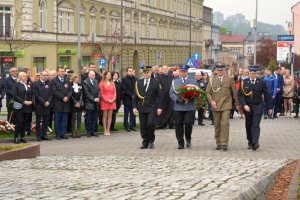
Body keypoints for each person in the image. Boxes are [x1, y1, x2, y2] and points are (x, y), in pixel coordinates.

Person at [206, 65, 240, 151]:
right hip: (215, 105)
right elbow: (208, 92)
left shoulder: (229, 79)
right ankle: (218, 142)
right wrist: (211, 101)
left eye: (222, 70)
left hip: (226, 105)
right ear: (216, 71)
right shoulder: (211, 79)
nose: (220, 72)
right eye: (219, 70)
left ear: (224, 71)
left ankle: (224, 143)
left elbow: (234, 92)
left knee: (225, 123)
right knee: (217, 125)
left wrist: (238, 104)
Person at [238, 66, 272, 150]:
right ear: (249, 74)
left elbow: (267, 95)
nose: (253, 75)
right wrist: (244, 105)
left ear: (256, 74)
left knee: (256, 124)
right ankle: (250, 141)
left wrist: (269, 107)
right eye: (251, 73)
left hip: (258, 106)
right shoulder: (244, 82)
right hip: (248, 107)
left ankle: (255, 142)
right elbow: (240, 95)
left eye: (254, 73)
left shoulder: (261, 82)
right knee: (248, 124)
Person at [133, 66, 163, 149]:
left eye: (147, 72)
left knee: (150, 124)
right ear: (143, 73)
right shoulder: (138, 82)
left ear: (151, 73)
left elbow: (160, 96)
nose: (146, 74)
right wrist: (134, 106)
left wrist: (159, 107)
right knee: (143, 125)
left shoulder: (156, 82)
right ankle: (145, 142)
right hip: (142, 107)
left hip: (152, 106)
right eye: (144, 73)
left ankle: (151, 141)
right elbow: (135, 96)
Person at [169, 65, 197, 149]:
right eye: (181, 71)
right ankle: (180, 142)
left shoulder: (193, 81)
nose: (183, 73)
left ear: (187, 72)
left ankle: (188, 139)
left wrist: (192, 97)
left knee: (188, 123)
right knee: (178, 125)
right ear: (179, 72)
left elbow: (197, 91)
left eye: (184, 71)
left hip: (189, 106)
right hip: (178, 106)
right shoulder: (175, 81)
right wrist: (177, 99)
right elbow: (171, 93)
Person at [50, 67, 72, 140]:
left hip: (66, 103)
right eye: (61, 71)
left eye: (63, 71)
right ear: (57, 72)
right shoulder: (54, 81)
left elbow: (70, 91)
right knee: (57, 119)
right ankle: (58, 134)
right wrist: (63, 97)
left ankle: (63, 133)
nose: (62, 73)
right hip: (57, 103)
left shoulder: (67, 80)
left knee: (64, 120)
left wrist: (67, 97)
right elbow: (54, 91)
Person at [12, 72, 33, 144]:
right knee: (19, 122)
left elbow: (33, 94)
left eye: (26, 76)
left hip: (28, 106)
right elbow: (15, 96)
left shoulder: (28, 85)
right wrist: (23, 101)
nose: (26, 77)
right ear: (20, 77)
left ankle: (22, 137)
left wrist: (31, 101)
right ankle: (16, 137)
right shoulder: (16, 85)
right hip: (19, 106)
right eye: (24, 76)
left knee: (25, 123)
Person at [32, 70, 52, 141]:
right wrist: (44, 102)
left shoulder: (49, 83)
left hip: (47, 105)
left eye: (46, 75)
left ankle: (44, 135)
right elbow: (37, 95)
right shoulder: (36, 84)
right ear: (40, 76)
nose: (45, 76)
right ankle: (38, 135)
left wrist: (48, 101)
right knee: (38, 121)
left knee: (46, 121)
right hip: (39, 105)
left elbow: (51, 94)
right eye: (44, 75)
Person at [82, 71, 100, 137]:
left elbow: (99, 90)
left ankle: (93, 131)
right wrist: (93, 99)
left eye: (94, 75)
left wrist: (98, 97)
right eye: (92, 75)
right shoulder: (85, 82)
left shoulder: (96, 81)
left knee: (94, 118)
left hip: (96, 103)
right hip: (89, 103)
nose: (94, 76)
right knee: (88, 118)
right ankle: (88, 131)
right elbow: (86, 93)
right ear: (89, 75)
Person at [99, 71, 116, 136]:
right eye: (108, 74)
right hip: (105, 101)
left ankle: (108, 129)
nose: (109, 75)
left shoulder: (112, 83)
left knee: (110, 116)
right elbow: (101, 93)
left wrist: (113, 99)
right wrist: (107, 100)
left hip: (112, 101)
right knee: (105, 116)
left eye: (110, 74)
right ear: (105, 75)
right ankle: (105, 130)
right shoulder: (102, 83)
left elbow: (115, 93)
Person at [122, 67, 137, 132]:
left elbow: (137, 88)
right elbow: (125, 89)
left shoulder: (135, 79)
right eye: (129, 71)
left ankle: (132, 126)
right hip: (127, 99)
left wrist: (135, 96)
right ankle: (126, 126)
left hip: (134, 99)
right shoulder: (124, 79)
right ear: (127, 72)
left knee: (132, 113)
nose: (131, 72)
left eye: (131, 71)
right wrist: (132, 95)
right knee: (126, 113)